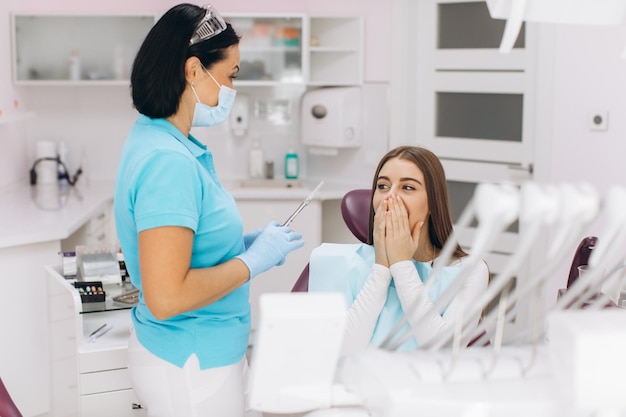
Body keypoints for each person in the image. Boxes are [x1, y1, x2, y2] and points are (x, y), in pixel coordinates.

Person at [113, 4, 304, 416]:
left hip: (202, 355)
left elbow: (186, 243)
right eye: (231, 74)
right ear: (194, 70)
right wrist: (251, 262)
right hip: (190, 361)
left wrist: (240, 245)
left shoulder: (163, 140)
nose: (232, 87)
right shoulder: (168, 162)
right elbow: (166, 296)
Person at [309, 146, 489, 354]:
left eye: (408, 188)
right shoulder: (337, 262)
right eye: (383, 186)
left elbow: (443, 349)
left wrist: (401, 265)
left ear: (432, 202)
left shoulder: (469, 270)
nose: (390, 198)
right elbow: (340, 352)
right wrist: (381, 268)